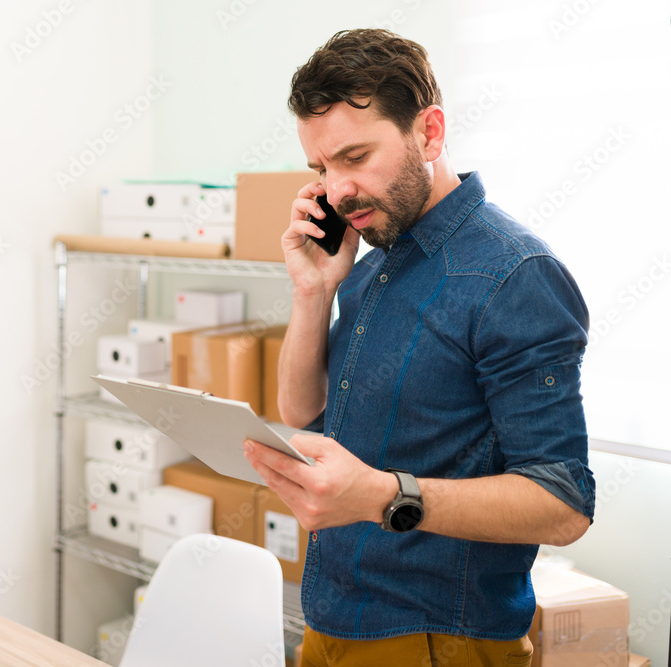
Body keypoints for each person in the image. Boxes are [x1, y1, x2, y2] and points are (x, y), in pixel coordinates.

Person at [242, 28, 595, 666]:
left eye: (354, 157)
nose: (335, 189)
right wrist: (312, 291)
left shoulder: (516, 275)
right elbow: (301, 413)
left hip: (437, 641)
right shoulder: (374, 257)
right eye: (321, 168)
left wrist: (379, 496)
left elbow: (562, 502)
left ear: (428, 134)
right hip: (333, 616)